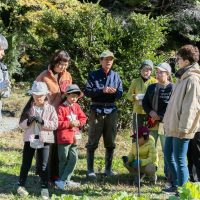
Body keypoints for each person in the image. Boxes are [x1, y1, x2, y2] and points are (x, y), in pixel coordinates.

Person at [163, 44, 200, 194]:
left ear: (185, 61)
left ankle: (184, 191)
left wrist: (184, 129)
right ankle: (178, 185)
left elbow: (191, 107)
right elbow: (173, 105)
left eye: (179, 58)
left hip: (181, 128)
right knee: (168, 154)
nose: (177, 61)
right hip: (172, 125)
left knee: (179, 159)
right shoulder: (182, 78)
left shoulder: (193, 80)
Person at [84, 50, 123, 178]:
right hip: (97, 110)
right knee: (92, 141)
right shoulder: (93, 75)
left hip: (111, 111)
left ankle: (108, 170)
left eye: (111, 60)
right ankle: (90, 170)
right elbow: (88, 92)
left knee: (110, 141)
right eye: (106, 59)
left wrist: (114, 92)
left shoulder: (116, 76)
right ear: (101, 61)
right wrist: (103, 90)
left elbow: (120, 93)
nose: (108, 62)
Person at [17, 81, 58, 199]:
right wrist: (28, 122)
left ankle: (44, 187)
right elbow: (21, 124)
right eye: (35, 95)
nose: (38, 97)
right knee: (26, 162)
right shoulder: (29, 108)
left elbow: (55, 125)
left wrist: (43, 122)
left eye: (40, 95)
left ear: (45, 95)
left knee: (43, 164)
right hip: (30, 139)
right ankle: (21, 185)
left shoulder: (50, 109)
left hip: (45, 139)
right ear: (32, 95)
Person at [36, 50, 72, 182]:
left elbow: (69, 95)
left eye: (66, 64)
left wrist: (66, 94)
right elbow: (36, 94)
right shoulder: (44, 76)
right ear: (55, 61)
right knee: (46, 145)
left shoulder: (67, 76)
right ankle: (43, 174)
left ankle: (55, 174)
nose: (63, 67)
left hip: (61, 115)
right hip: (47, 115)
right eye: (61, 64)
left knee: (58, 146)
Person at [142, 62, 173, 184]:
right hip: (152, 124)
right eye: (157, 72)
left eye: (161, 72)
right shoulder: (151, 87)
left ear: (168, 74)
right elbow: (145, 103)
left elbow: (173, 108)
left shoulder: (173, 88)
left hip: (166, 124)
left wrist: (159, 116)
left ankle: (168, 175)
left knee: (167, 150)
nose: (158, 74)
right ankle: (151, 174)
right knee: (150, 148)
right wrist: (150, 112)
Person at [55, 84, 87, 190]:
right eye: (72, 96)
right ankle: (63, 180)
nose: (74, 99)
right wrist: (70, 123)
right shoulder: (61, 108)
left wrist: (80, 123)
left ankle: (64, 180)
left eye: (76, 97)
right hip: (64, 138)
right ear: (67, 95)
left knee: (74, 158)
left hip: (75, 138)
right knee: (63, 159)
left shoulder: (77, 107)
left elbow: (83, 118)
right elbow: (58, 123)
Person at [126, 60, 157, 133]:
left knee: (149, 135)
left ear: (151, 71)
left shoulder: (155, 82)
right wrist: (134, 96)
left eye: (148, 70)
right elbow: (128, 95)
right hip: (138, 111)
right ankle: (136, 144)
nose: (146, 72)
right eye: (144, 69)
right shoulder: (135, 81)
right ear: (140, 70)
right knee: (137, 134)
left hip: (150, 112)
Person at [0, 33, 11, 119]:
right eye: (2, 49)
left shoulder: (3, 68)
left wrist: (2, 91)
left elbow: (7, 93)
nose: (3, 53)